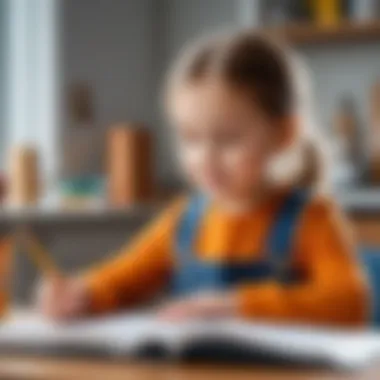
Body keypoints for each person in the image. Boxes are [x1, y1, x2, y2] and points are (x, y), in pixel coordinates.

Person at [37, 31, 369, 326]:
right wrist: (80, 294)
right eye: (190, 139)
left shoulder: (312, 218)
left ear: (284, 133)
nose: (205, 159)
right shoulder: (184, 221)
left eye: (228, 140)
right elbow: (119, 279)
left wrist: (238, 306)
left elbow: (351, 301)